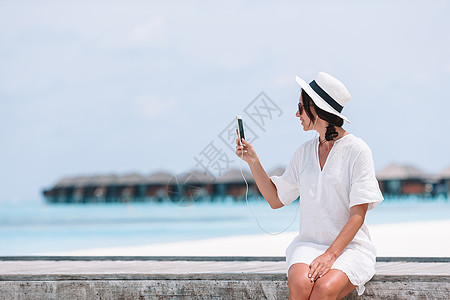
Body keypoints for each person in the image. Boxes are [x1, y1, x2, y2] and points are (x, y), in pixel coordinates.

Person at [235, 72, 383, 299]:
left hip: (350, 249)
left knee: (324, 290)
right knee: (301, 285)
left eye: (301, 107)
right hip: (309, 245)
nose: (297, 114)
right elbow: (276, 200)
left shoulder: (358, 151)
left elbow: (358, 215)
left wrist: (330, 256)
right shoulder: (303, 152)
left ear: (317, 109)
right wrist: (253, 161)